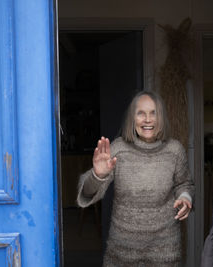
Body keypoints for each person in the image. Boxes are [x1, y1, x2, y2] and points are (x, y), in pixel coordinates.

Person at [77, 91, 195, 267]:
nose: (147, 119)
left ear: (161, 118)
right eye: (141, 113)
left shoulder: (175, 150)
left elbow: (184, 183)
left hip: (165, 252)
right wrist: (98, 175)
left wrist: (186, 197)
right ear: (132, 119)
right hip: (122, 254)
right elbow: (87, 193)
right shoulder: (118, 148)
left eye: (153, 113)